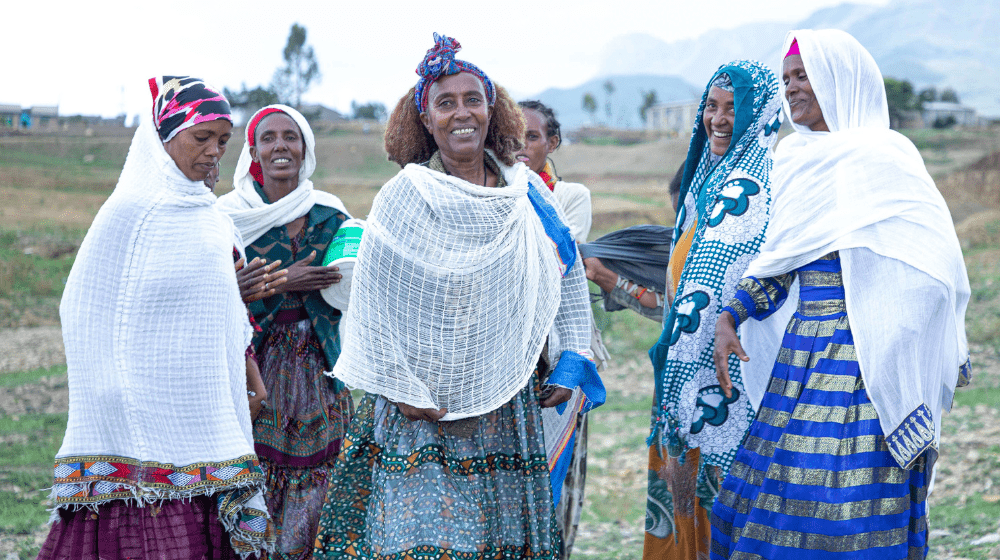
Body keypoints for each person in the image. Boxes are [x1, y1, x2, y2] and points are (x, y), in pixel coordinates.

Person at [312, 33, 604, 560]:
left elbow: (565, 276)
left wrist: (571, 358)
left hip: (505, 402)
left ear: (493, 111)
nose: (461, 113)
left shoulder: (527, 193)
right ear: (425, 119)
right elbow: (373, 299)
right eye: (445, 103)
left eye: (473, 100)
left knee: (497, 542)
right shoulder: (404, 196)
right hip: (419, 409)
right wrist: (401, 387)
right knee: (425, 543)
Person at [709, 30, 971, 559]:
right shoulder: (794, 161)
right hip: (803, 356)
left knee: (843, 506)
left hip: (871, 368)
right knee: (762, 501)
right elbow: (781, 262)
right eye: (786, 80)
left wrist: (896, 335)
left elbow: (937, 266)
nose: (792, 89)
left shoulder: (886, 158)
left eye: (803, 76)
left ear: (839, 79)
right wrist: (731, 316)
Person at [38, 76, 273, 559]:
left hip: (200, 408)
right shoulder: (130, 214)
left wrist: (248, 371)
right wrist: (114, 385)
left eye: (223, 141)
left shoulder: (211, 217)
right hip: (135, 411)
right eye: (201, 138)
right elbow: (83, 306)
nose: (214, 152)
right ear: (165, 139)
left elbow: (223, 311)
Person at [644, 61, 782, 559]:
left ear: (760, 115)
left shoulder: (763, 188)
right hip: (685, 389)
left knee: (728, 519)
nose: (719, 119)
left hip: (732, 388)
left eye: (734, 108)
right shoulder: (705, 186)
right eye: (711, 105)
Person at [216, 104, 354, 560]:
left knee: (321, 484)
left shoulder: (330, 215)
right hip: (254, 368)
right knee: (253, 474)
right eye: (269, 137)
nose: (281, 146)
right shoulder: (227, 218)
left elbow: (355, 283)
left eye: (290, 137)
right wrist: (282, 280)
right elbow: (212, 292)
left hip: (320, 370)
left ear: (305, 148)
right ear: (253, 151)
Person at [515, 99, 605, 558]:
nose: (521, 146)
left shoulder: (568, 197)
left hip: (557, 352)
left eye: (532, 137)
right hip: (513, 360)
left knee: (555, 478)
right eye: (513, 134)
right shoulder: (496, 192)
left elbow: (556, 264)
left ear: (552, 143)